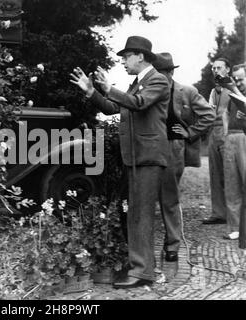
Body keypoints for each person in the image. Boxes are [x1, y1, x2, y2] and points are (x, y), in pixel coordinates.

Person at [70, 36, 170, 288]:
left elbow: (137, 104)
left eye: (126, 57)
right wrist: (92, 91)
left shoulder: (157, 80)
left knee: (142, 215)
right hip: (136, 158)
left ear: (140, 56)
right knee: (135, 214)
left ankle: (142, 271)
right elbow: (111, 109)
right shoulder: (137, 84)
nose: (123, 62)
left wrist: (107, 88)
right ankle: (140, 267)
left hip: (147, 158)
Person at [152, 53, 215, 261]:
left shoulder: (186, 91)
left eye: (162, 73)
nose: (159, 78)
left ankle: (172, 245)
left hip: (173, 147)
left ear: (171, 72)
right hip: (149, 148)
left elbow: (209, 115)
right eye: (156, 73)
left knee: (169, 197)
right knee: (146, 197)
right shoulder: (147, 89)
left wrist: (190, 132)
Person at [217, 63, 246, 240]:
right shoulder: (231, 94)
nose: (237, 82)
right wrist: (226, 131)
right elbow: (225, 113)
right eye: (235, 79)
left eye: (241, 79)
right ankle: (235, 227)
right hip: (232, 137)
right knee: (231, 184)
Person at [202, 58, 232, 226]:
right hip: (214, 132)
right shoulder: (214, 91)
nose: (215, 70)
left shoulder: (237, 88)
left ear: (227, 69)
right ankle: (219, 213)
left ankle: (236, 215)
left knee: (232, 173)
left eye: (219, 67)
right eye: (213, 68)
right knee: (215, 173)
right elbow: (209, 111)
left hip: (231, 132)